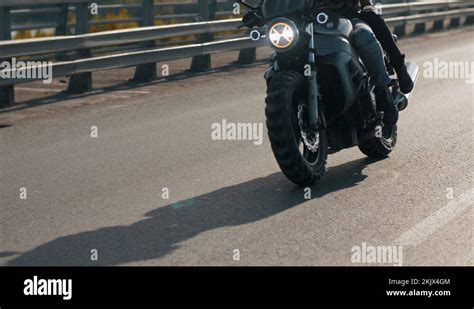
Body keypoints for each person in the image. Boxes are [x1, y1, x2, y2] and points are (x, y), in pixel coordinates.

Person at [242, 0, 414, 129]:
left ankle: (384, 88)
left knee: (365, 36)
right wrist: (260, 12)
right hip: (305, 26)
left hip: (345, 16)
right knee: (279, 57)